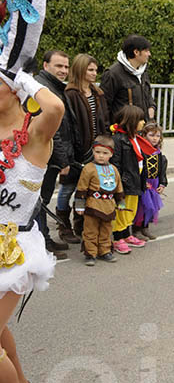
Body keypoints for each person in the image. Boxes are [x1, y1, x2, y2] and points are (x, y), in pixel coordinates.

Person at [0, 0, 66, 383]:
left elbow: (56, 106)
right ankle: (17, 382)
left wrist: (16, 72)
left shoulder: (32, 134)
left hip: (18, 249)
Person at [61, 53, 110, 244]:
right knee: (68, 188)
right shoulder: (70, 93)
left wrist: (106, 142)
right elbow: (67, 125)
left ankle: (80, 225)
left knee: (88, 189)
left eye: (95, 70)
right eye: (90, 69)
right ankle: (63, 225)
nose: (94, 73)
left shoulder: (98, 93)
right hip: (75, 150)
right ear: (80, 69)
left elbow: (104, 120)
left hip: (96, 148)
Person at [34, 50, 73, 258]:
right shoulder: (44, 89)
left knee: (41, 202)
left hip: (48, 157)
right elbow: (52, 131)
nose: (63, 71)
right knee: (38, 202)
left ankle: (45, 238)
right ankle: (41, 245)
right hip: (44, 158)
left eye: (66, 67)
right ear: (46, 65)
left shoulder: (55, 88)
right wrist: (62, 160)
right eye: (59, 66)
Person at [110, 105, 154, 254]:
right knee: (121, 210)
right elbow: (116, 164)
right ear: (131, 121)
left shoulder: (135, 138)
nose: (143, 122)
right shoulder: (118, 139)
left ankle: (126, 235)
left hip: (135, 180)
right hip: (125, 182)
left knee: (130, 210)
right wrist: (119, 184)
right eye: (141, 120)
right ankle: (117, 238)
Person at [74, 135, 124, 265]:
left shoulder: (114, 169)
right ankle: (90, 253)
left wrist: (120, 202)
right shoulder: (88, 168)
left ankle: (105, 251)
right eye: (98, 152)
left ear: (111, 154)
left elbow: (118, 187)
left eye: (105, 153)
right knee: (90, 230)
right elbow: (81, 187)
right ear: (93, 152)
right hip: (93, 206)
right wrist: (79, 205)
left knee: (106, 230)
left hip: (108, 206)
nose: (101, 156)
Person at [100, 34, 156, 123]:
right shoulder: (113, 73)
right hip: (122, 131)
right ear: (136, 52)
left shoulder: (143, 72)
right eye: (146, 51)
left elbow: (148, 95)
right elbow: (103, 106)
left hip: (141, 129)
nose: (149, 54)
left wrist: (152, 106)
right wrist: (108, 133)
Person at [133, 122, 166, 240]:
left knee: (150, 208)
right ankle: (136, 229)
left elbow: (162, 170)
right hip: (144, 183)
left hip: (154, 183)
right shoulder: (141, 151)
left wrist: (162, 184)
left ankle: (145, 228)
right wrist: (142, 181)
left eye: (157, 136)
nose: (155, 138)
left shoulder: (158, 153)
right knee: (140, 207)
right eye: (152, 135)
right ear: (144, 135)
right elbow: (137, 168)